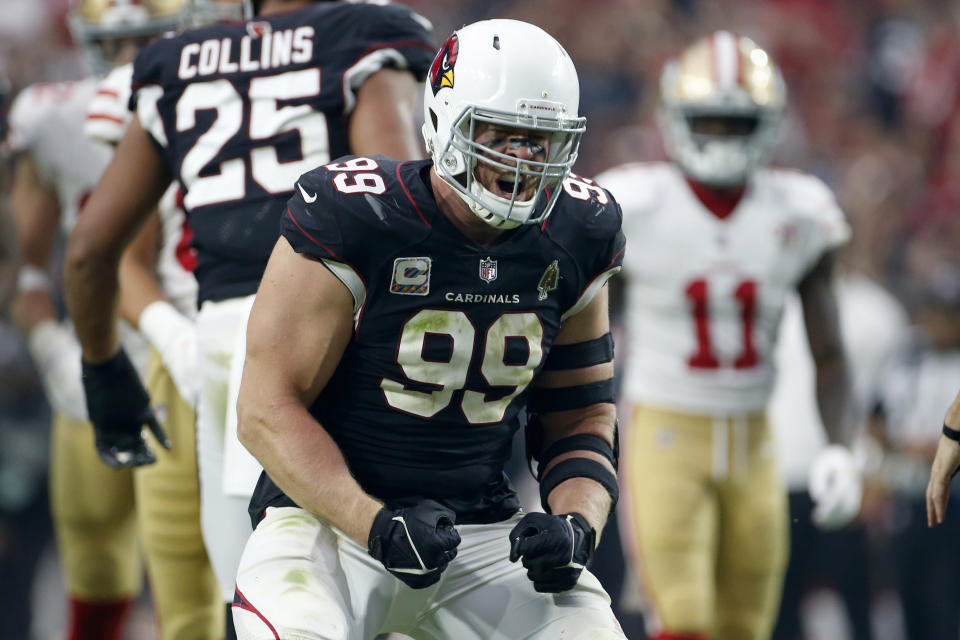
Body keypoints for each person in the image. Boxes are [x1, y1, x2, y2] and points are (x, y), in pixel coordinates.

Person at [228, 19, 626, 639]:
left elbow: (581, 413)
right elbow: (264, 407)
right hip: (328, 523)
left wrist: (577, 524)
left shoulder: (580, 230)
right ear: (444, 119)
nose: (522, 158)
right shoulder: (357, 214)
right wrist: (376, 524)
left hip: (480, 531)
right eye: (502, 134)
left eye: (541, 138)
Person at [62, 0, 435, 632]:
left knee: (253, 596)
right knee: (391, 588)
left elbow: (89, 253)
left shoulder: (175, 60)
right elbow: (402, 208)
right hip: (340, 336)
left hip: (219, 345)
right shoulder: (364, 35)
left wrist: (103, 368)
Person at [595, 31, 859, 640]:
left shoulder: (798, 209)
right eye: (708, 120)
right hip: (664, 429)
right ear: (674, 118)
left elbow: (830, 351)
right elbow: (584, 331)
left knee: (747, 626)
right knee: (682, 620)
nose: (721, 137)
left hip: (754, 437)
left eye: (737, 123)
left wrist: (842, 447)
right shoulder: (637, 204)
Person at [6, 1, 216, 637]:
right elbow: (25, 268)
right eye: (118, 43)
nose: (134, 61)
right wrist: (56, 353)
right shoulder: (57, 117)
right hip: (108, 355)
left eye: (151, 38)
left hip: (199, 364)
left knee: (200, 591)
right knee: (94, 568)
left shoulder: (229, 105)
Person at [85, 59, 223, 639]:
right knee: (187, 602)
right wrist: (177, 339)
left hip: (311, 358)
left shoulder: (349, 58)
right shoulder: (158, 83)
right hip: (187, 355)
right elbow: (119, 257)